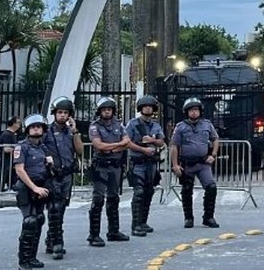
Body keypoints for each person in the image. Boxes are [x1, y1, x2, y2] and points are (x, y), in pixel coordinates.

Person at [169, 98, 220, 229]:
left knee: (211, 187)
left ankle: (208, 217)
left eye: (196, 110)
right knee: (187, 190)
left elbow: (215, 139)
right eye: (191, 110)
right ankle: (188, 218)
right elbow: (174, 146)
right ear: (186, 112)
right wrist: (175, 165)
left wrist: (213, 155)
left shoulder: (207, 124)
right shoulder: (180, 126)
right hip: (187, 164)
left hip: (203, 163)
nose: (194, 113)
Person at [43, 97, 83, 259]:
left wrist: (75, 132)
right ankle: (57, 243)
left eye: (65, 113)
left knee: (61, 208)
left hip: (67, 174)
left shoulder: (70, 132)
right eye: (59, 112)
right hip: (52, 174)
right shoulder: (46, 131)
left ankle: (51, 239)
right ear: (54, 113)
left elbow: (80, 150)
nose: (62, 115)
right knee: (54, 208)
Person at [87, 97, 130, 247]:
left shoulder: (119, 125)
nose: (107, 112)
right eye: (104, 109)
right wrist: (117, 145)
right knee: (98, 199)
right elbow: (98, 145)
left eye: (109, 109)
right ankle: (93, 235)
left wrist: (111, 147)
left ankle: (113, 231)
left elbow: (127, 142)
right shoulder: (94, 126)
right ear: (99, 111)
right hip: (101, 166)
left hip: (115, 166)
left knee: (113, 198)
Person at [13, 114, 52, 270]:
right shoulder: (21, 147)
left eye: (39, 127)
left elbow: (48, 168)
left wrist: (50, 165)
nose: (36, 129)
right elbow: (19, 170)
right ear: (28, 129)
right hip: (26, 188)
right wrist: (34, 187)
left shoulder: (43, 147)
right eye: (33, 127)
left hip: (40, 186)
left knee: (39, 219)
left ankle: (33, 257)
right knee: (29, 222)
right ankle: (23, 260)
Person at [126, 95, 165, 237]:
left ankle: (143, 222)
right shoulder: (132, 124)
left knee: (149, 192)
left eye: (150, 106)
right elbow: (127, 142)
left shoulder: (156, 125)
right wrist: (143, 149)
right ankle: (135, 225)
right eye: (145, 106)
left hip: (151, 163)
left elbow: (162, 141)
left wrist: (152, 140)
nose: (147, 108)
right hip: (137, 162)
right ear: (140, 108)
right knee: (139, 193)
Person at [0, 116, 21, 207]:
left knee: (15, 182)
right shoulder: (7, 134)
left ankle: (20, 200)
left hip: (9, 162)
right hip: (3, 162)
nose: (19, 125)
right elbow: (6, 149)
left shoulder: (12, 134)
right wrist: (17, 149)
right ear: (14, 124)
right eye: (18, 123)